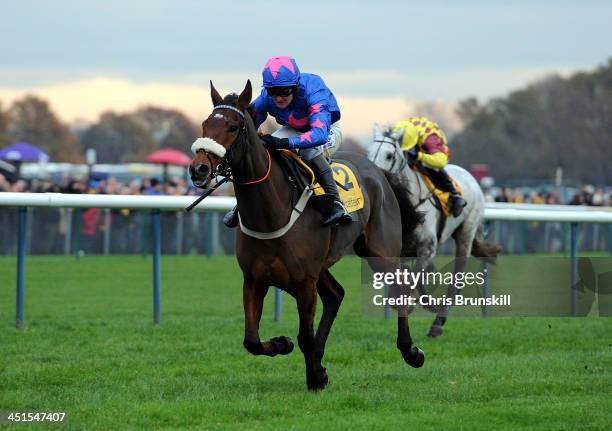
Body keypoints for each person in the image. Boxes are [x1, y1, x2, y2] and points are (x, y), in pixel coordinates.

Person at [223, 56, 352, 228]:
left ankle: (336, 202)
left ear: (295, 86)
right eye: (272, 92)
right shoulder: (267, 96)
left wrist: (285, 143)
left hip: (326, 130)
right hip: (295, 128)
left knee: (306, 150)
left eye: (284, 91)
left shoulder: (314, 90)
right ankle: (241, 205)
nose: (278, 98)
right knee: (263, 151)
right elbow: (248, 121)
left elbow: (319, 135)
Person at [392, 117, 467, 217]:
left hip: (436, 153)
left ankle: (455, 195)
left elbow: (441, 162)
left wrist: (419, 155)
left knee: (430, 166)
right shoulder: (399, 129)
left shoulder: (430, 139)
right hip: (415, 142)